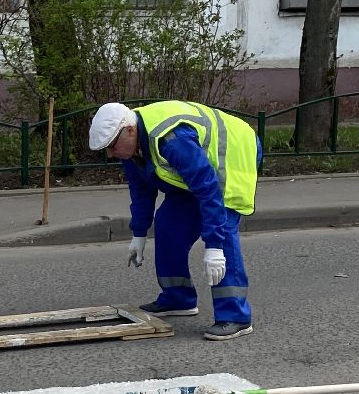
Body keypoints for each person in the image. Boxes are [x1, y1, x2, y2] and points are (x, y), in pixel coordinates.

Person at [88, 100, 259, 340]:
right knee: (168, 224)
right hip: (200, 168)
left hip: (233, 156)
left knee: (224, 231)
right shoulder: (131, 144)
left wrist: (214, 247)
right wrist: (139, 233)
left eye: (112, 146)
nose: (110, 154)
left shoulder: (172, 140)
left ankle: (236, 316)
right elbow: (141, 192)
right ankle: (178, 298)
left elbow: (209, 189)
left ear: (129, 130)